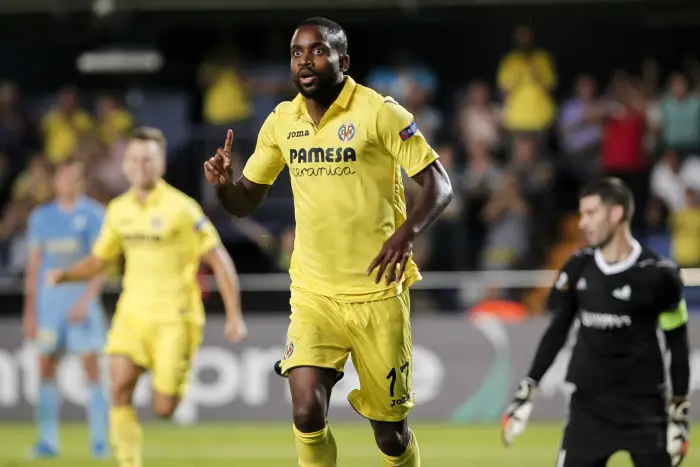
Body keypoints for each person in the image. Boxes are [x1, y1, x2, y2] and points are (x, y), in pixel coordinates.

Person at [204, 17, 452, 467]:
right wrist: (223, 186)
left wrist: (406, 233)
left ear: (343, 60)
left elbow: (439, 185)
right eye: (297, 52)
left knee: (391, 437)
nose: (305, 61)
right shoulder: (282, 120)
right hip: (314, 292)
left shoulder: (380, 111)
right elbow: (243, 202)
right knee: (306, 410)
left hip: (377, 292)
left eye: (317, 51)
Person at [46, 127, 248, 467]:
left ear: (161, 164)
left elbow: (220, 260)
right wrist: (65, 275)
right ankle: (129, 463)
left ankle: (172, 388)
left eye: (148, 159)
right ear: (125, 164)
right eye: (135, 158)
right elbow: (100, 259)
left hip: (176, 318)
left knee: (163, 408)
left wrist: (234, 315)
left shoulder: (182, 209)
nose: (141, 165)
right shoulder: (118, 210)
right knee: (119, 386)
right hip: (132, 316)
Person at [502, 177, 691, 467]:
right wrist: (528, 389)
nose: (582, 223)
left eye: (591, 213)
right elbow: (557, 331)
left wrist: (678, 411)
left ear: (616, 214)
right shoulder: (578, 267)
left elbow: (677, 343)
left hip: (644, 409)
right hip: (588, 409)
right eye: (581, 214)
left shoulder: (658, 276)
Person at [23, 158, 108, 459]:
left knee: (92, 368)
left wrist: (86, 300)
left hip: (81, 306)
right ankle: (47, 441)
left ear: (81, 181)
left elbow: (101, 264)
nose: (68, 182)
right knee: (45, 367)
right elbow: (33, 269)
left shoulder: (95, 214)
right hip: (49, 307)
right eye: (63, 177)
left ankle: (100, 441)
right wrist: (30, 311)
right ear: (56, 181)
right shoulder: (41, 217)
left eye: (74, 177)